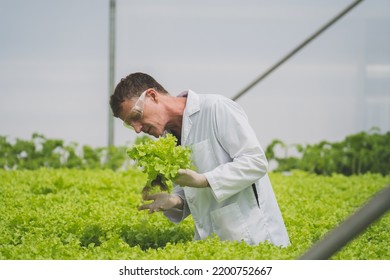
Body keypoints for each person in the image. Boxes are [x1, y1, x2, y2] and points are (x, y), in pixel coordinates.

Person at [110, 72, 290, 247]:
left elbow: (255, 162)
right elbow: (192, 187)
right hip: (213, 246)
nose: (137, 129)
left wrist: (204, 180)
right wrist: (175, 200)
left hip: (255, 238)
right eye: (129, 124)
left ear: (152, 96)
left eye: (136, 116)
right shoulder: (169, 137)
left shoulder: (216, 108)